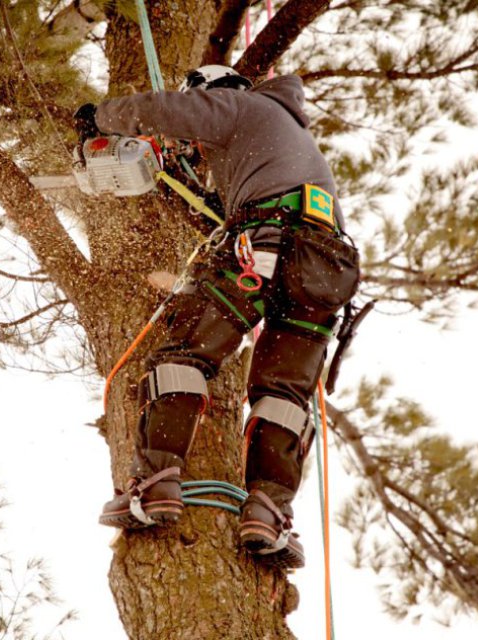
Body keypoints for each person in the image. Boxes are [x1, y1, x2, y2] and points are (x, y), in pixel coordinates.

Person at [73, 66, 359, 569]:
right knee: (283, 394)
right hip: (325, 267)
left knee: (185, 355)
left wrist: (101, 117)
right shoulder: (281, 137)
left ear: (212, 93)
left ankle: (156, 484)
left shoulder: (238, 105)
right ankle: (267, 516)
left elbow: (161, 111)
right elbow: (223, 213)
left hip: (266, 243)